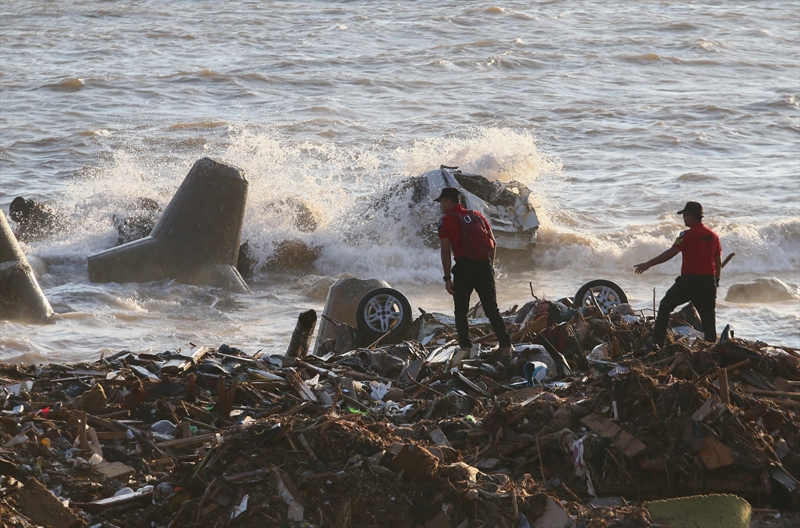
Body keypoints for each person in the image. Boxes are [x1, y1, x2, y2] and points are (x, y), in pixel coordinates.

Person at [435, 187, 512, 362]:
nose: (441, 206)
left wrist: (447, 278)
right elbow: (493, 243)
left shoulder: (445, 221)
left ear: (448, 201)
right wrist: (489, 267)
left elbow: (445, 252)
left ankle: (466, 347)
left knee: (461, 311)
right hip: (484, 266)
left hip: (464, 268)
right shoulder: (477, 216)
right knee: (492, 309)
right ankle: (506, 346)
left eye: (441, 202)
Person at [634, 201, 722, 348]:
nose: (683, 218)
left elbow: (671, 253)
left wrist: (648, 264)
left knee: (665, 306)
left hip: (690, 282)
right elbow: (718, 262)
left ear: (691, 217)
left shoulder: (686, 235)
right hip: (708, 282)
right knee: (708, 320)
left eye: (685, 215)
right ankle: (711, 349)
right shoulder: (713, 236)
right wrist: (716, 281)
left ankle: (657, 343)